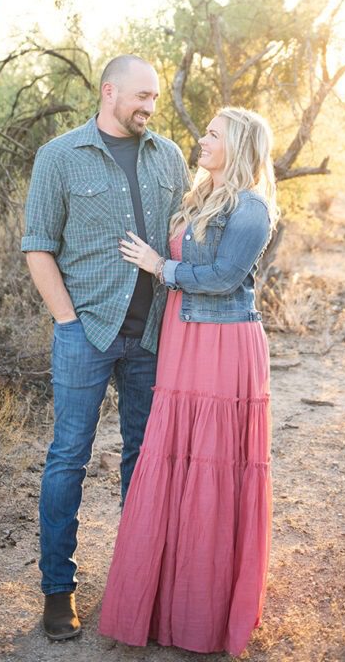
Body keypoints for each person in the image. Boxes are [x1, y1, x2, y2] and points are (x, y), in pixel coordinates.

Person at [22, 54, 191, 641]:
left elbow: (183, 239)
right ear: (109, 90)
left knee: (144, 457)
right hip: (85, 332)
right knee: (69, 455)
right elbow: (38, 247)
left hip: (152, 338)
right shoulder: (59, 157)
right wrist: (66, 321)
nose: (149, 107)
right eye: (141, 95)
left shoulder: (169, 157)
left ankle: (135, 579)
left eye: (155, 99)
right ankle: (57, 588)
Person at [98, 106, 276, 657]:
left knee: (212, 461)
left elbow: (224, 279)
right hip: (183, 338)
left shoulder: (252, 210)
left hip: (223, 345)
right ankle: (163, 598)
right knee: (175, 455)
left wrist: (160, 267)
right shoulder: (199, 196)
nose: (203, 139)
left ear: (238, 146)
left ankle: (203, 607)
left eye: (214, 134)